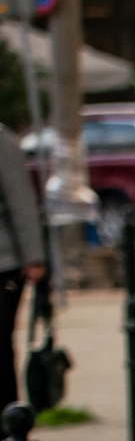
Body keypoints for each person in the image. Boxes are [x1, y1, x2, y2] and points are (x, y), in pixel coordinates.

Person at [0, 121, 45, 409]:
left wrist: (33, 257)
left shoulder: (2, 140)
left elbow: (21, 201)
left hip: (4, 263)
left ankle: (8, 424)